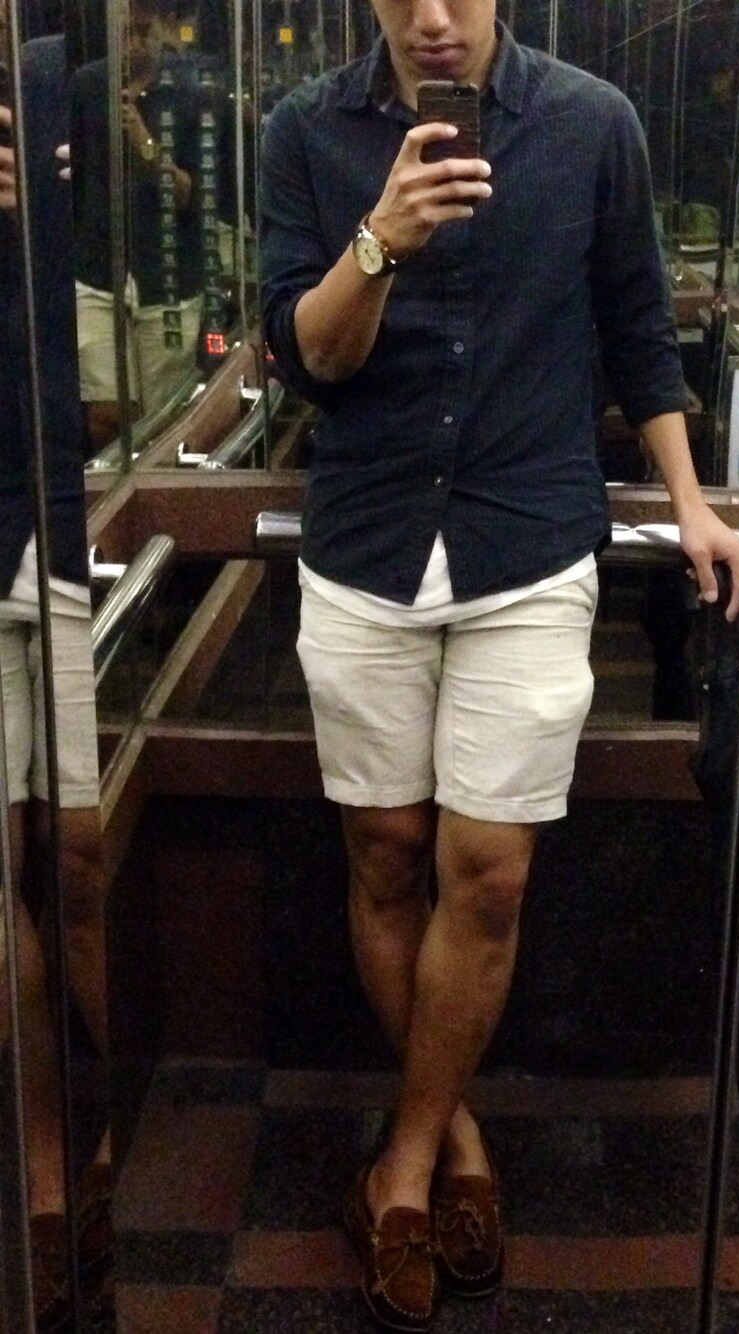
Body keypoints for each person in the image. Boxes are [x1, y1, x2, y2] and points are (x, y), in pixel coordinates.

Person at [259, 2, 739, 1329]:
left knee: (490, 868)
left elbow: (638, 325)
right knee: (383, 852)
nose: (433, 17)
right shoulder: (304, 130)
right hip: (365, 542)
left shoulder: (594, 123)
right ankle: (458, 1134)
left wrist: (690, 502)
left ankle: (404, 1166)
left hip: (528, 542)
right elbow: (307, 358)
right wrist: (381, 239)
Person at [0, 25, 110, 1334]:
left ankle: (103, 1124)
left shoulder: (61, 73)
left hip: (75, 497)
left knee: (79, 851)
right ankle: (40, 1156)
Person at [70, 0, 202, 449]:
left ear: (165, 28)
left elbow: (191, 195)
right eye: (124, 32)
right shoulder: (88, 85)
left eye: (143, 32)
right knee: (105, 415)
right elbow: (75, 173)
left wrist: (144, 141)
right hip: (97, 269)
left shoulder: (188, 92)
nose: (132, 44)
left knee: (162, 419)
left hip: (167, 275)